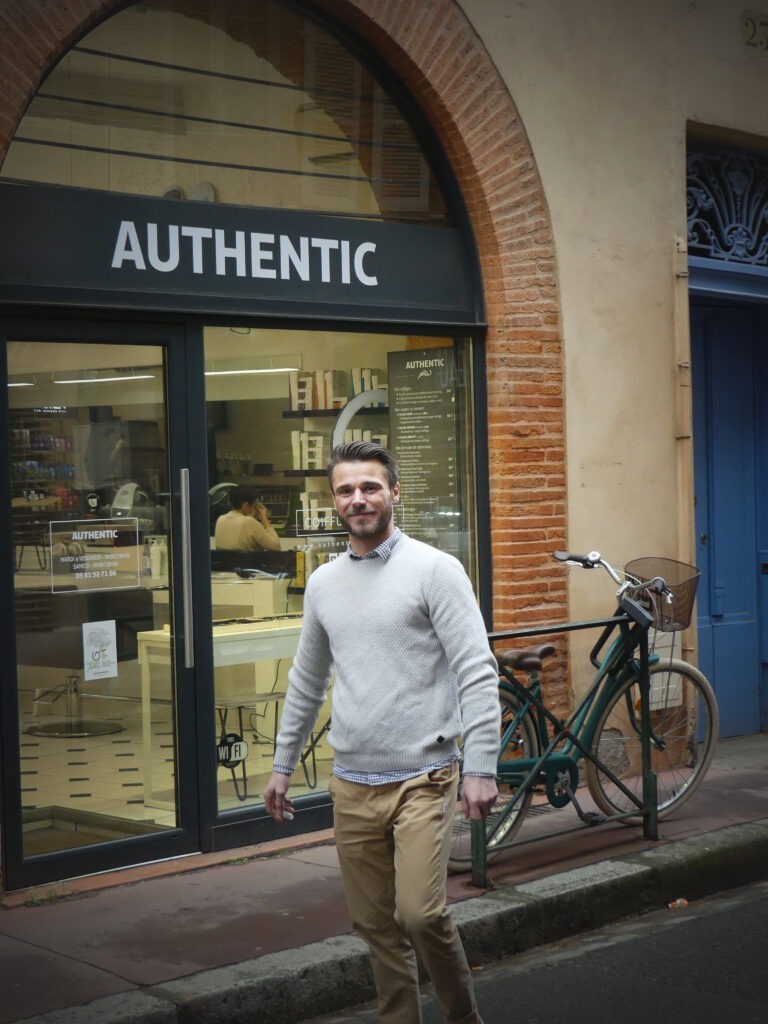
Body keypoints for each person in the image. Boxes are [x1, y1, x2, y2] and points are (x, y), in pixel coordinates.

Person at [264, 441, 500, 1024]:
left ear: (394, 492)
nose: (358, 499)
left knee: (420, 915)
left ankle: (462, 1017)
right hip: (352, 781)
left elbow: (476, 668)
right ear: (333, 501)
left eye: (370, 487)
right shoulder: (323, 584)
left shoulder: (435, 570)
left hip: (424, 774)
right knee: (372, 924)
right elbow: (307, 680)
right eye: (345, 490)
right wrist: (281, 762)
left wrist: (482, 767)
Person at [213, 486, 281, 552]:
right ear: (245, 505)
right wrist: (264, 518)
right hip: (248, 563)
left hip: (224, 563)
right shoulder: (249, 522)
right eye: (254, 506)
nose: (255, 509)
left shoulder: (220, 519)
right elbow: (276, 547)